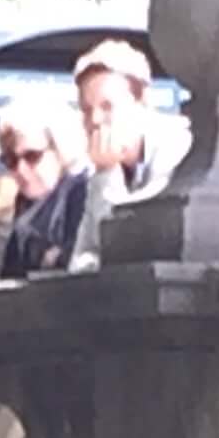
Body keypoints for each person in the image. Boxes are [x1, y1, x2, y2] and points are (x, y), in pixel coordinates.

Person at [71, 38, 177, 269]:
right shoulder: (102, 165)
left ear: (142, 104)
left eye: (107, 107)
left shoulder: (173, 153)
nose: (95, 120)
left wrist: (106, 174)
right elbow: (83, 256)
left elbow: (121, 247)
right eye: (87, 110)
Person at [0, 100, 88, 278]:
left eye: (31, 156)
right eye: (10, 160)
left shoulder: (82, 195)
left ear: (61, 148)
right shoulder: (24, 208)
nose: (20, 170)